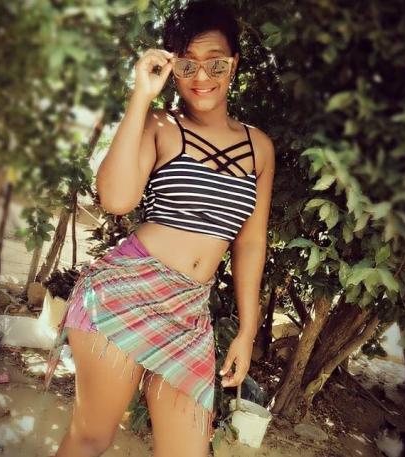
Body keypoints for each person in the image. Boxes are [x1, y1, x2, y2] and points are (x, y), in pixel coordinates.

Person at [47, 1, 275, 456]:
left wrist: (247, 331)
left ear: (234, 63)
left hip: (190, 313)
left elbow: (250, 242)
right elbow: (116, 199)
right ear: (172, 66)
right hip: (124, 295)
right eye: (187, 63)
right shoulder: (160, 125)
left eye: (215, 63)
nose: (201, 76)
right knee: (91, 439)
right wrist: (141, 97)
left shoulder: (259, 148)